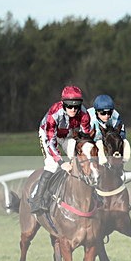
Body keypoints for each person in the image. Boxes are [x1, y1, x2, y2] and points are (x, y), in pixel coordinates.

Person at [28, 85, 92, 213]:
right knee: (52, 165)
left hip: (68, 135)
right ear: (63, 103)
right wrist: (61, 163)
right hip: (49, 136)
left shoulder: (84, 114)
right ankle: (37, 199)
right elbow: (50, 141)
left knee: (82, 158)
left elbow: (85, 138)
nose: (73, 109)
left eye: (76, 105)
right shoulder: (54, 114)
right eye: (69, 105)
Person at [89, 94, 131, 164]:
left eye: (109, 113)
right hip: (92, 139)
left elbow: (121, 134)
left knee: (125, 142)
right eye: (103, 113)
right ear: (96, 111)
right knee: (99, 143)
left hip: (106, 138)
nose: (106, 116)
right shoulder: (89, 117)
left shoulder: (115, 116)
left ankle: (121, 165)